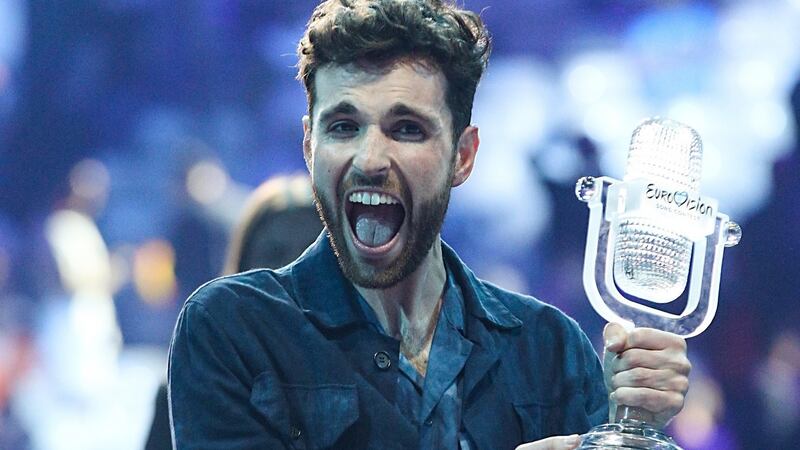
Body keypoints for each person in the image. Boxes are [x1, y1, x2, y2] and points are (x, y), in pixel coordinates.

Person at [168, 1, 691, 449]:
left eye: (407, 129)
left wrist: (628, 424)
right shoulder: (232, 330)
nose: (370, 157)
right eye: (344, 126)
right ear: (309, 145)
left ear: (463, 156)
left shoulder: (550, 348)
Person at [146, 174, 321, 449]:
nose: (290, 271)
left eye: (309, 253)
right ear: (243, 265)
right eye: (275, 253)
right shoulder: (185, 388)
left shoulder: (376, 383)